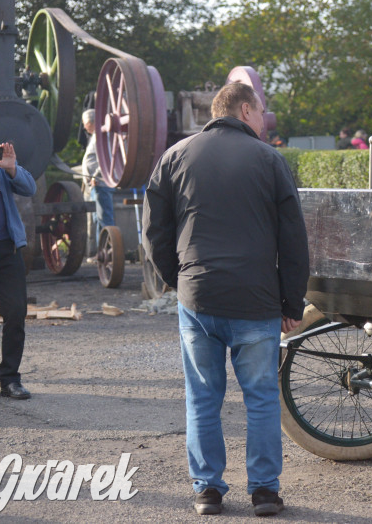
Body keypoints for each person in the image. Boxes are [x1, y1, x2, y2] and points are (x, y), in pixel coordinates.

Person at [143, 82, 309, 517]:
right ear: (245, 108)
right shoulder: (269, 159)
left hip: (198, 297)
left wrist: (176, 281)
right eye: (262, 111)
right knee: (260, 397)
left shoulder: (176, 157)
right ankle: (265, 492)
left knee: (202, 397)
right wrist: (293, 302)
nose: (264, 120)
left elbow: (154, 231)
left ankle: (207, 491)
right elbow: (293, 236)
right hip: (256, 299)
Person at [0, 117, 37, 401]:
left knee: (15, 312)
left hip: (7, 248)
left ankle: (11, 379)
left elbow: (29, 188)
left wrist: (11, 167)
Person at [81, 109, 115, 251]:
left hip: (100, 182)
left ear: (90, 122)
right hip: (95, 184)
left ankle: (109, 251)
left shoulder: (101, 136)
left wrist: (96, 175)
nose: (84, 127)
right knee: (98, 219)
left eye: (85, 124)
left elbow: (105, 158)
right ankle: (101, 253)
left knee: (104, 218)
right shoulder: (97, 136)